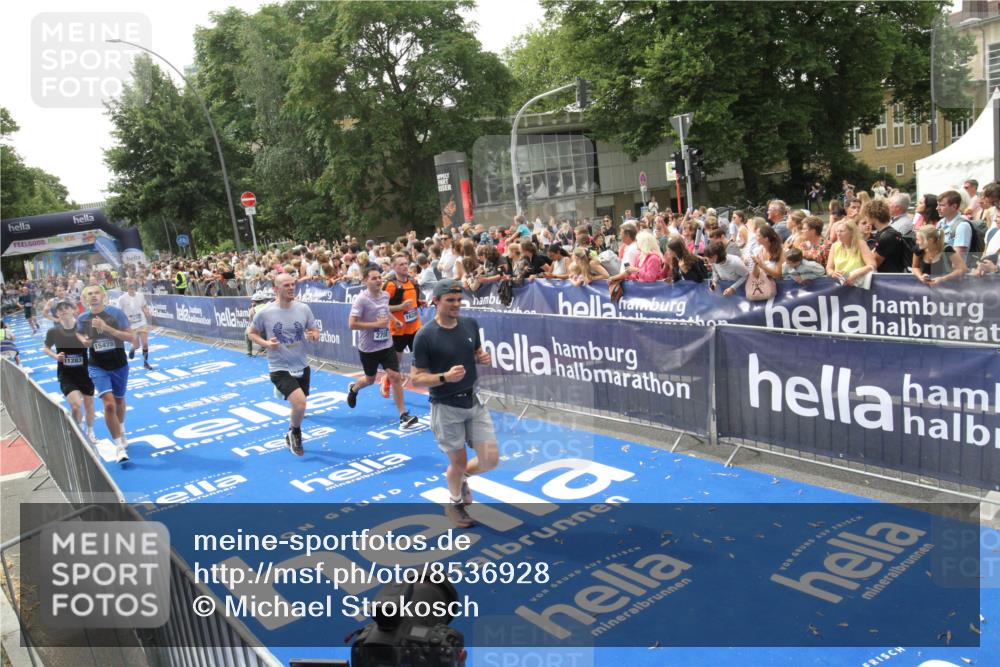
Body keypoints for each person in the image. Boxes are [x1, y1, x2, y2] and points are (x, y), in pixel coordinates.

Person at [411, 280, 499, 529]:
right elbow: (416, 377)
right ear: (436, 301)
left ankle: (460, 479)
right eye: (450, 300)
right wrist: (444, 377)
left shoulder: (470, 324)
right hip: (445, 406)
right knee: (458, 463)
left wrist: (480, 357)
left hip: (473, 400)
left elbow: (475, 353)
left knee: (490, 460)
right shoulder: (425, 335)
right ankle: (455, 502)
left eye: (459, 300)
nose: (457, 305)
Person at [247, 273, 320, 457]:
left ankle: (291, 430)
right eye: (286, 285)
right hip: (279, 367)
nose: (291, 288)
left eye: (293, 284)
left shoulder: (303, 308)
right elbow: (251, 332)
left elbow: (314, 329)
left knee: (301, 404)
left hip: (301, 364)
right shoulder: (265, 312)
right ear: (275, 289)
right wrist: (266, 344)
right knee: (300, 404)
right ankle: (296, 433)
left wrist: (313, 335)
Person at [346, 267, 420, 428]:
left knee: (395, 376)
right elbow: (351, 324)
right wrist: (375, 325)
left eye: (379, 277)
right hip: (368, 348)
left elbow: (385, 310)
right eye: (373, 278)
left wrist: (394, 320)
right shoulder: (361, 300)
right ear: (365, 281)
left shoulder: (385, 295)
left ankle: (403, 416)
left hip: (386, 344)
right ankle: (354, 388)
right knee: (370, 379)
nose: (378, 280)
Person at [76, 285, 134, 464]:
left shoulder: (116, 313)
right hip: (97, 366)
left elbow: (130, 337)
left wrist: (106, 328)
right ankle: (119, 447)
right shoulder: (83, 318)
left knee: (119, 401)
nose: (93, 296)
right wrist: (83, 341)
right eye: (89, 294)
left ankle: (121, 428)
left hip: (118, 364)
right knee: (109, 405)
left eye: (96, 293)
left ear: (104, 296)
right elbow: (79, 333)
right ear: (85, 300)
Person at [43, 300, 97, 443]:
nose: (63, 311)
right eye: (60, 309)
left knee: (89, 404)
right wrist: (55, 356)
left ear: (74, 310)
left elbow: (93, 342)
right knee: (75, 405)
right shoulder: (53, 331)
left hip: (85, 372)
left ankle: (90, 431)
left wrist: (89, 341)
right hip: (66, 374)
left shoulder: (83, 328)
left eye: (66, 308)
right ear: (57, 314)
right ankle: (77, 432)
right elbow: (46, 348)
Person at [383, 253, 423, 399]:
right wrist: (400, 307)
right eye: (401, 264)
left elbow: (413, 302)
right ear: (394, 267)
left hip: (415, 328)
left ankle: (426, 385)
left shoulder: (412, 282)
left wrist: (419, 303)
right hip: (398, 330)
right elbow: (382, 307)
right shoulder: (391, 285)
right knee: (396, 361)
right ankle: (386, 380)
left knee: (421, 356)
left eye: (406, 263)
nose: (405, 266)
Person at [826, 219, 877, 287]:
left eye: (842, 231)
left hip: (859, 285)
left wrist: (856, 274)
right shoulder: (835, 246)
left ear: (851, 232)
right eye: (837, 231)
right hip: (841, 285)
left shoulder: (860, 244)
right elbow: (829, 268)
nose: (838, 234)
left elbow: (872, 265)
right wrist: (833, 273)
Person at [117, 282, 154, 369]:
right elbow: (118, 311)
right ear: (126, 287)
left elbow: (144, 305)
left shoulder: (140, 295)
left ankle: (145, 363)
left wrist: (146, 311)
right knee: (137, 345)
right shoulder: (122, 299)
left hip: (142, 322)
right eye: (130, 286)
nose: (131, 287)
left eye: (133, 286)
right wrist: (123, 321)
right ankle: (133, 349)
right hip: (131, 325)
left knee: (145, 344)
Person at [868, 199, 909, 273]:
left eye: (867, 215)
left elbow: (874, 264)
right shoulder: (886, 233)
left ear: (873, 216)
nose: (866, 218)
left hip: (889, 279)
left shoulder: (886, 236)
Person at [936, 190, 973, 262]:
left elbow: (958, 256)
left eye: (942, 205)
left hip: (953, 270)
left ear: (954, 206)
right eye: (938, 205)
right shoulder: (940, 223)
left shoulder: (962, 226)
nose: (937, 208)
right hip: (940, 267)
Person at [246, 291, 271, 356]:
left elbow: (251, 322)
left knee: (247, 332)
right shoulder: (269, 306)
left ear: (254, 301)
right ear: (263, 300)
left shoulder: (252, 310)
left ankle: (249, 351)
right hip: (270, 330)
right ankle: (263, 347)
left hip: (260, 332)